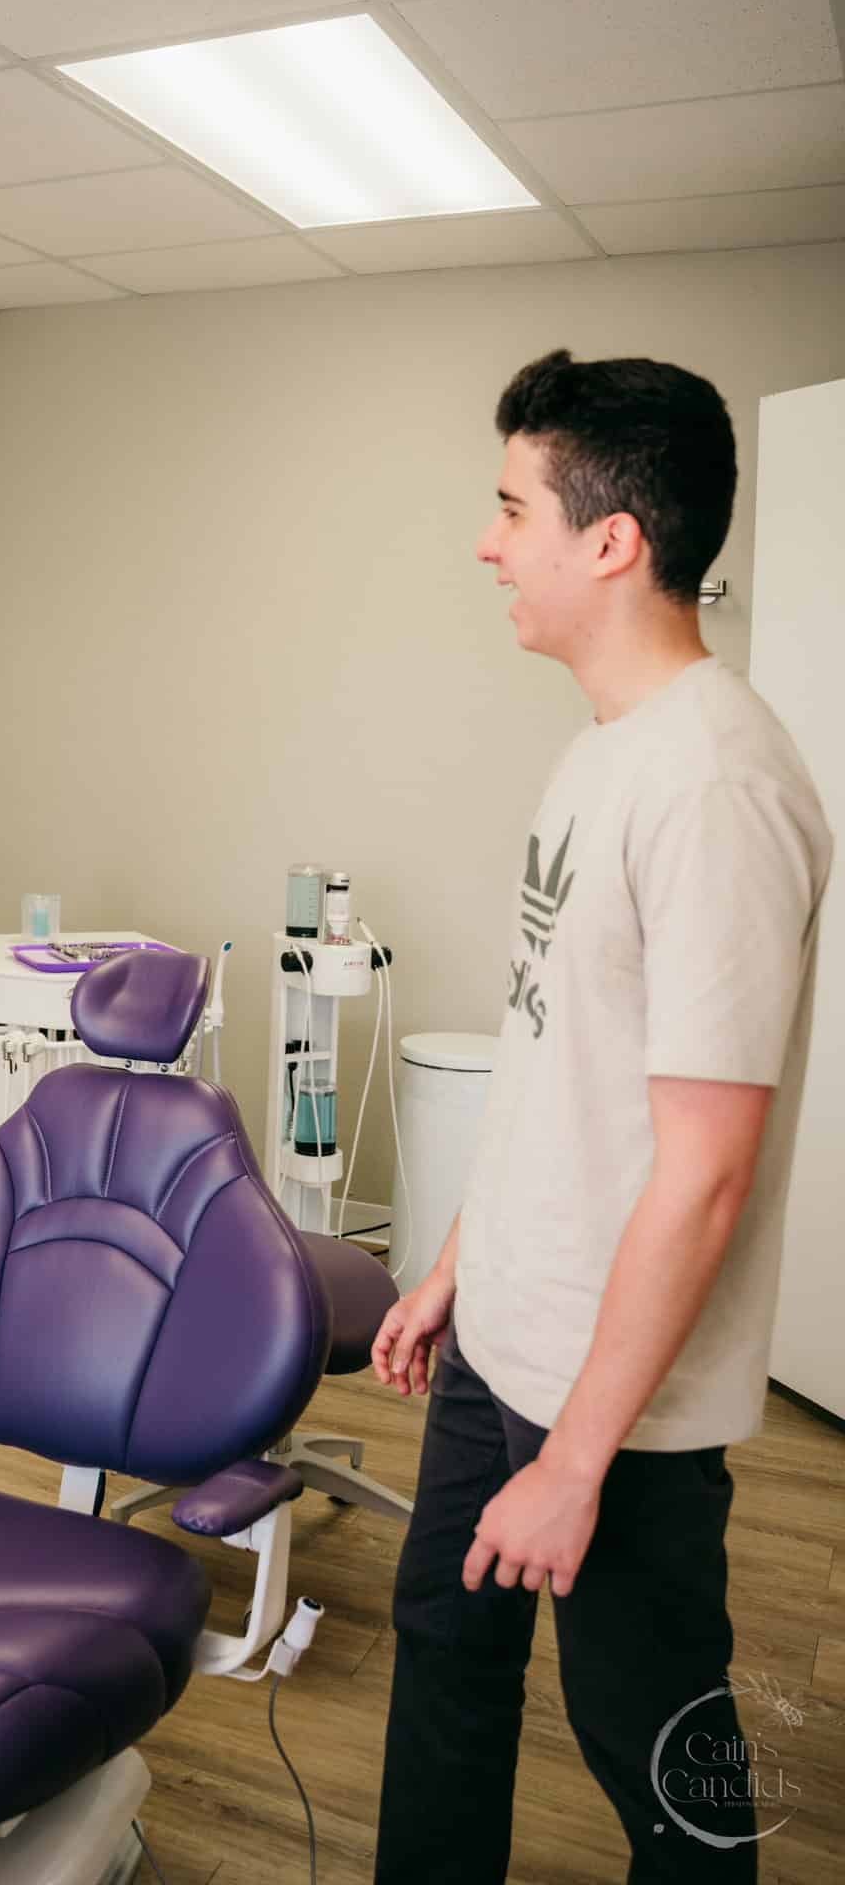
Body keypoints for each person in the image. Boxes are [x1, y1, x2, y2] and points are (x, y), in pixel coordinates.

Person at [370, 352, 832, 1882]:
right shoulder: (597, 757)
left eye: (514, 507)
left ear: (613, 538)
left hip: (615, 1409)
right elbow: (553, 1065)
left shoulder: (717, 784)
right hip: (507, 1333)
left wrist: (575, 1460)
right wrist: (452, 1262)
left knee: (661, 1768)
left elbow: (703, 1175)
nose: (491, 541)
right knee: (444, 1658)